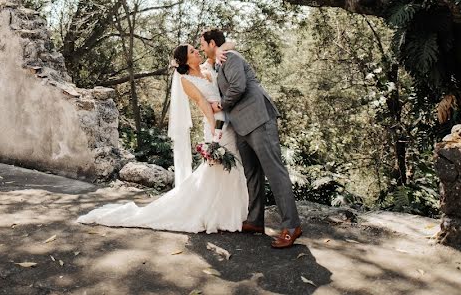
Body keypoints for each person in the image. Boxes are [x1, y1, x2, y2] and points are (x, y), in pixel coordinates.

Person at [76, 44, 249, 233]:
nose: (196, 52)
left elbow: (228, 46)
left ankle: (232, 212)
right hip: (216, 126)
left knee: (233, 165)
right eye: (192, 51)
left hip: (230, 123)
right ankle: (218, 214)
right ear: (184, 61)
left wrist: (218, 51)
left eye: (195, 49)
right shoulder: (186, 80)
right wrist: (215, 131)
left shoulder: (208, 69)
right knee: (220, 168)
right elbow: (202, 102)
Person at [199, 28, 303, 248]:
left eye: (202, 44)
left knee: (274, 172)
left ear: (212, 43)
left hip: (258, 119)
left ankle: (292, 227)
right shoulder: (218, 62)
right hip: (240, 126)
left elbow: (238, 87)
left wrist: (220, 105)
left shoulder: (231, 57)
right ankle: (255, 220)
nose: (201, 48)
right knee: (252, 174)